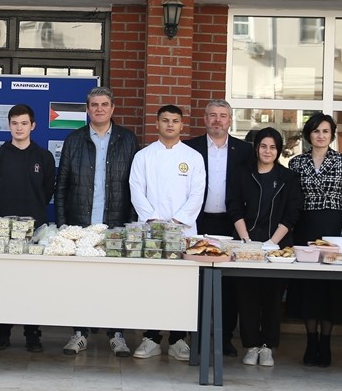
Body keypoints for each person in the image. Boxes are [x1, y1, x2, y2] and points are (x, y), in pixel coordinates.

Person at [54, 85, 138, 356]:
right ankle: (79, 334)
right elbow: (62, 185)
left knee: (117, 283)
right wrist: (63, 224)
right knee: (80, 282)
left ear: (112, 109)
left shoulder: (127, 139)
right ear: (87, 109)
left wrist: (131, 224)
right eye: (94, 105)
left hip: (115, 222)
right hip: (80, 223)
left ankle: (117, 335)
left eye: (104, 105)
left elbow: (135, 186)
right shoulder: (74, 140)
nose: (99, 109)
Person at [127, 103, 206, 361]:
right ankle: (150, 337)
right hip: (152, 232)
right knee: (152, 286)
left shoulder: (193, 157)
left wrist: (177, 221)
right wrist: (153, 219)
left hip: (184, 232)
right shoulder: (144, 156)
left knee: (181, 287)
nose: (170, 124)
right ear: (157, 124)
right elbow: (136, 189)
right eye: (165, 120)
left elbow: (197, 194)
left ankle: (178, 339)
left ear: (182, 125)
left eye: (175, 120)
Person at [285, 113, 342, 368]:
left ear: (332, 135)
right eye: (316, 131)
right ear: (309, 134)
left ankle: (326, 342)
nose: (321, 135)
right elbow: (292, 203)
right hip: (306, 229)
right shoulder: (296, 163)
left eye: (326, 131)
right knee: (309, 290)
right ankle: (310, 340)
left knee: (330, 290)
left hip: (334, 230)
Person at [0, 103, 56, 352]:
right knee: (3, 281)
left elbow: (47, 191)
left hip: (35, 228)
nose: (19, 128)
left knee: (33, 284)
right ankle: (3, 332)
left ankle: (32, 333)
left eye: (24, 123)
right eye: (15, 123)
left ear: (32, 125)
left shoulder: (44, 157)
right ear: (9, 125)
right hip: (4, 229)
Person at [227, 127, 302, 367]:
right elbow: (234, 206)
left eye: (272, 147)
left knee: (271, 299)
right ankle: (250, 345)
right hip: (246, 245)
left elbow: (292, 214)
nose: (267, 151)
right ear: (256, 148)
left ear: (278, 150)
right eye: (263, 146)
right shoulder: (242, 174)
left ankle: (268, 346)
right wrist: (247, 242)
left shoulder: (288, 178)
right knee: (246, 298)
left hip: (277, 248)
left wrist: (272, 244)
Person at [186, 98, 254, 357]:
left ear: (230, 120)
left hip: (232, 223)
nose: (217, 120)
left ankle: (224, 338)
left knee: (228, 286)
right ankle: (196, 336)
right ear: (205, 119)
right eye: (212, 115)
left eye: (223, 116)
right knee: (196, 282)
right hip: (197, 221)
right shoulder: (190, 147)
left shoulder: (244, 150)